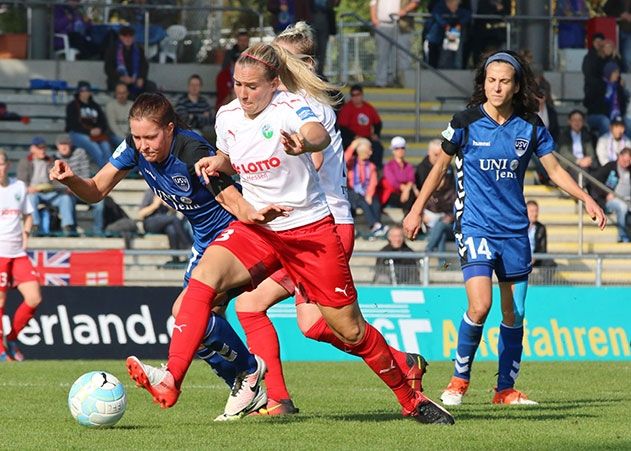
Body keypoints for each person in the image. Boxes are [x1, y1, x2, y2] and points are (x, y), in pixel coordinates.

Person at [122, 43, 455, 424]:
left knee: (350, 330)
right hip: (259, 227)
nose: (243, 94)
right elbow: (234, 159)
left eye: (252, 86)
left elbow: (317, 134)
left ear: (274, 84)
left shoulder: (290, 107)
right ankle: (171, 379)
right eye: (237, 84)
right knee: (202, 281)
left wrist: (303, 142)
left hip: (309, 231)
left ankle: (411, 399)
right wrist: (220, 161)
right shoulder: (227, 115)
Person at [233, 23, 428, 414]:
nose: (273, 69)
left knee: (256, 308)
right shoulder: (286, 105)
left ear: (303, 64)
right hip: (302, 225)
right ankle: (401, 362)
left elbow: (311, 158)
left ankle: (278, 399)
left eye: (281, 61)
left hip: (321, 226)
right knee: (292, 319)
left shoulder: (309, 108)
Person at [50, 92, 271, 421]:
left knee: (186, 313)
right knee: (194, 325)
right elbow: (95, 189)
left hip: (236, 235)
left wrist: (262, 223)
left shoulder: (192, 151)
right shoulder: (133, 149)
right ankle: (245, 386)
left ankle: (247, 373)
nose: (143, 145)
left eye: (150, 137)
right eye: (137, 137)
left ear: (169, 129)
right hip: (204, 242)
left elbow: (232, 201)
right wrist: (71, 180)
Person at [403, 50, 607, 406]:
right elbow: (438, 169)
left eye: (504, 81)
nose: (496, 87)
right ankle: (457, 382)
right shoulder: (465, 122)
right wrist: (416, 209)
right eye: (491, 80)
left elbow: (555, 172)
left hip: (514, 230)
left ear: (516, 87)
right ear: (483, 83)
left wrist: (586, 198)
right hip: (475, 226)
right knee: (480, 306)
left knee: (515, 313)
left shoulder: (529, 126)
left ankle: (505, 390)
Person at [0, 150, 42, 362]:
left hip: (18, 253)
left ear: (7, 165)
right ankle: (1, 351)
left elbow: (28, 215)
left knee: (34, 298)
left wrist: (26, 235)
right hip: (0, 254)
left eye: (1, 164)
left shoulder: (18, 188)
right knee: (0, 301)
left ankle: (11, 338)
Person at [17, 137, 76, 237]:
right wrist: (29, 188)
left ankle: (67, 227)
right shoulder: (25, 162)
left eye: (44, 148)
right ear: (33, 149)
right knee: (31, 198)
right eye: (40, 148)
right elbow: (21, 183)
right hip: (34, 194)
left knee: (65, 198)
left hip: (51, 192)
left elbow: (57, 181)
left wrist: (49, 186)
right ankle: (34, 226)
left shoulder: (51, 161)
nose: (42, 150)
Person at [53, 134, 105, 236]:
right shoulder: (54, 158)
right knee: (66, 199)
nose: (63, 147)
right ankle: (71, 230)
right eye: (61, 144)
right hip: (66, 192)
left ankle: (98, 230)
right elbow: (54, 182)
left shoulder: (80, 153)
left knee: (100, 203)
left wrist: (75, 186)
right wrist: (70, 188)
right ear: (57, 146)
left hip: (82, 188)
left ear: (71, 145)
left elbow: (85, 175)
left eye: (66, 144)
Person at [415, 139, 456, 266]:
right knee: (441, 231)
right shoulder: (422, 169)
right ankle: (443, 265)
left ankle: (427, 252)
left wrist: (451, 216)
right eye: (436, 155)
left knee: (441, 225)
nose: (439, 158)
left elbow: (456, 201)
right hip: (431, 219)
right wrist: (421, 214)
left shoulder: (450, 172)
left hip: (449, 220)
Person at [370, 0, 420, 87]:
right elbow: (373, 4)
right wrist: (374, 19)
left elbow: (415, 2)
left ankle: (405, 83)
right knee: (382, 55)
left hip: (402, 25)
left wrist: (404, 10)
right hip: (382, 25)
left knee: (403, 55)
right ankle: (381, 82)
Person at [346, 137, 389, 237]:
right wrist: (353, 146)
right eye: (369, 150)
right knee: (362, 200)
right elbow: (344, 159)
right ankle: (374, 225)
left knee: (375, 201)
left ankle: (377, 225)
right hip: (352, 192)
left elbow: (373, 183)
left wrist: (369, 194)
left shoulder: (371, 166)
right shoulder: (351, 163)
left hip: (365, 192)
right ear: (361, 151)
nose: (370, 152)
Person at [65, 80, 112, 169]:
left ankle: (111, 171)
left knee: (106, 146)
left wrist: (100, 129)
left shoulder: (95, 106)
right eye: (82, 91)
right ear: (78, 92)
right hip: (77, 133)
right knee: (95, 148)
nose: (85, 93)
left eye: (87, 91)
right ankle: (106, 172)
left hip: (96, 134)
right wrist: (88, 131)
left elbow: (103, 122)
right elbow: (72, 124)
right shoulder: (72, 106)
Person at [137, 188, 192, 264]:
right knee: (174, 219)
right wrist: (155, 205)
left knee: (171, 229)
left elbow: (172, 213)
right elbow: (140, 214)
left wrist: (169, 206)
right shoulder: (150, 192)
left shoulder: (166, 193)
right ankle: (187, 245)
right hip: (150, 223)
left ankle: (175, 258)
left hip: (164, 223)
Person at [337, 84, 384, 168]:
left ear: (362, 95)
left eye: (358, 94)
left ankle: (375, 171)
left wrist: (376, 134)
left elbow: (378, 123)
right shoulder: (347, 108)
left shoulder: (368, 108)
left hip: (366, 137)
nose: (356, 97)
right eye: (353, 95)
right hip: (352, 139)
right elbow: (342, 127)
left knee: (378, 147)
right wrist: (354, 136)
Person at [591, 147, 631, 242]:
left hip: (628, 199)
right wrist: (606, 194)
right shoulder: (611, 167)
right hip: (612, 201)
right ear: (619, 157)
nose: (626, 163)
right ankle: (623, 237)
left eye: (629, 161)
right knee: (622, 207)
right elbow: (594, 181)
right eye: (624, 160)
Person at [104, 25, 156, 99]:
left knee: (151, 86)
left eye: (130, 36)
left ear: (133, 37)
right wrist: (122, 78)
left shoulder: (138, 49)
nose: (127, 39)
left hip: (135, 79)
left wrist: (141, 78)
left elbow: (144, 66)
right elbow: (108, 68)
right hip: (117, 79)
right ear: (120, 37)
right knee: (123, 88)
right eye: (125, 36)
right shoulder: (113, 49)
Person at [424, 0, 472, 69]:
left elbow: (467, 14)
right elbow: (436, 14)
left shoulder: (462, 8)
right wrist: (445, 25)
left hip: (453, 36)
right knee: (434, 56)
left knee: (452, 55)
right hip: (437, 37)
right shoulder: (439, 5)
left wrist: (459, 24)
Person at [381, 136, 418, 215]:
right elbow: (393, 182)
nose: (400, 150)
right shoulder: (389, 166)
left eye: (402, 148)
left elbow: (411, 179)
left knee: (411, 196)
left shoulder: (408, 166)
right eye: (397, 148)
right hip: (392, 193)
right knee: (411, 196)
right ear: (393, 151)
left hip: (405, 193)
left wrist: (406, 190)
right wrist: (406, 189)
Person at [556, 109, 599, 174]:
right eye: (574, 120)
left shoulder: (587, 134)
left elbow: (591, 152)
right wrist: (578, 161)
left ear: (583, 122)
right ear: (569, 121)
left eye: (579, 120)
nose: (577, 122)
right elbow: (564, 153)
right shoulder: (564, 135)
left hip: (585, 163)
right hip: (570, 163)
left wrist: (587, 160)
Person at [174, 74, 213, 140]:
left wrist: (193, 117)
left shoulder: (204, 102)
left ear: (200, 87)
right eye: (192, 85)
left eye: (197, 85)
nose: (194, 87)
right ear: (188, 86)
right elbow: (183, 120)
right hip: (186, 134)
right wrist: (202, 117)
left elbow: (210, 120)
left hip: (203, 134)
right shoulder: (181, 101)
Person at [526, 200, 556, 283]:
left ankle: (545, 285)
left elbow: (543, 249)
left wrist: (535, 257)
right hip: (522, 257)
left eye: (536, 211)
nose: (535, 214)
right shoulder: (519, 226)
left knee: (550, 263)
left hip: (535, 258)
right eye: (532, 211)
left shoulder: (541, 228)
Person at [310, 0, 339, 76]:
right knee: (311, 49)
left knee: (322, 51)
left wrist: (333, 31)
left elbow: (334, 5)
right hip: (311, 22)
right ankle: (311, 72)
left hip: (325, 22)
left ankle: (320, 73)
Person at [105, 82, 133, 147]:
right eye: (119, 93)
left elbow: (136, 124)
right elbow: (113, 126)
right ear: (115, 94)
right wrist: (125, 138)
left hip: (131, 135)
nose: (121, 95)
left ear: (127, 93)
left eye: (124, 93)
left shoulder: (133, 105)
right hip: (115, 136)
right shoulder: (110, 106)